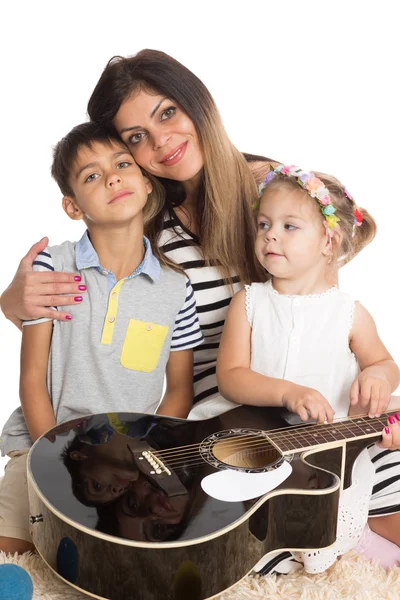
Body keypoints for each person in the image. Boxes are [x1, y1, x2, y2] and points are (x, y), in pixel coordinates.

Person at [0, 122, 204, 555]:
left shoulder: (176, 287)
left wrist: (144, 454)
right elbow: (32, 382)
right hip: (43, 443)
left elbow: (179, 389)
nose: (112, 177)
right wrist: (52, 462)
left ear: (147, 183)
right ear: (73, 207)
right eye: (92, 175)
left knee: (147, 551)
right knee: (12, 551)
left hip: (130, 460)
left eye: (123, 164)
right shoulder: (50, 268)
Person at [217, 164, 400, 572]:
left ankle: (352, 536)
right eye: (264, 223)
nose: (270, 234)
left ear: (327, 242)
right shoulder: (248, 303)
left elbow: (385, 362)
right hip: (253, 441)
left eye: (289, 226)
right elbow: (230, 376)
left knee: (321, 523)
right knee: (247, 542)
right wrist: (287, 392)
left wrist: (377, 376)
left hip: (324, 454)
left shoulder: (348, 313)